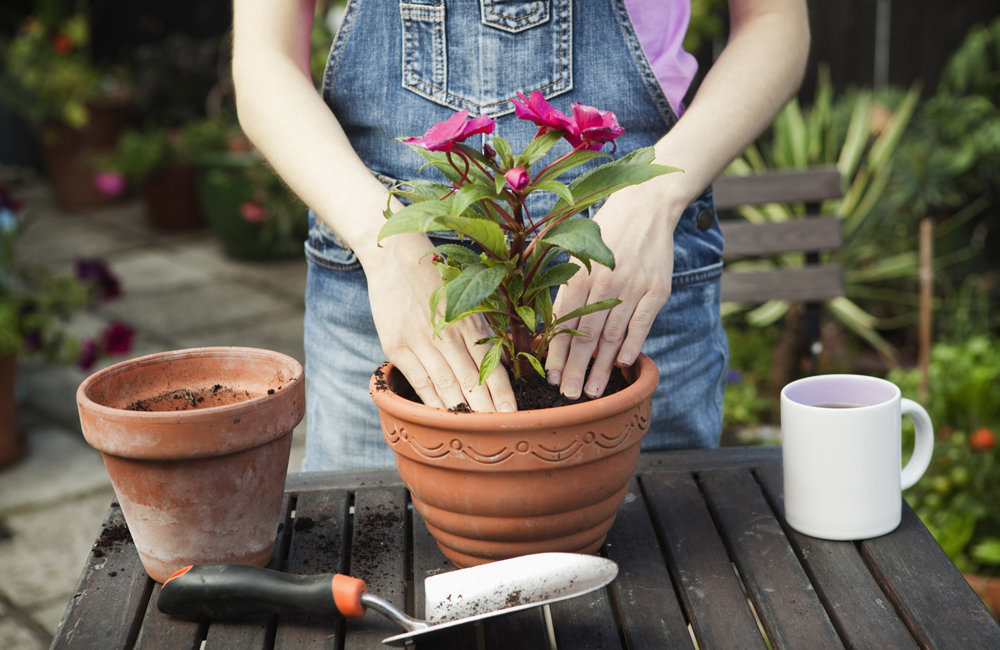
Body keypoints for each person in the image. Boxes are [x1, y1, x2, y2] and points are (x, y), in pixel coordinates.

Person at [231, 0, 810, 470]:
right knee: (388, 570)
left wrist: (656, 193)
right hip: (390, 289)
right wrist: (382, 237)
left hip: (624, 280)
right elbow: (265, 55)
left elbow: (774, 20)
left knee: (649, 581)